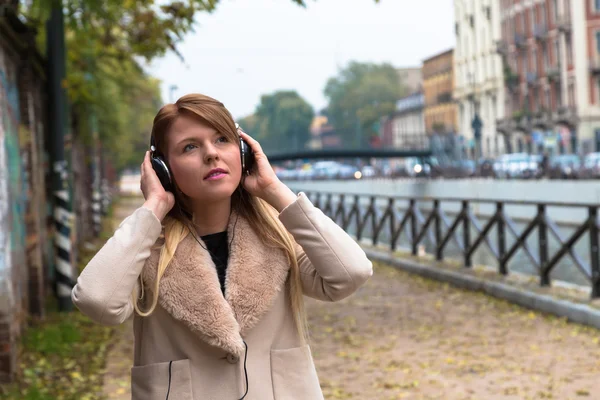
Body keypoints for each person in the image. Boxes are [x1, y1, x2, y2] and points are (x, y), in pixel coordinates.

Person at [72, 93, 373, 400]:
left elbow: (351, 273)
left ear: (243, 152)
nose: (211, 154)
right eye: (190, 146)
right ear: (162, 168)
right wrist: (153, 207)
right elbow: (98, 301)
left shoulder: (277, 237)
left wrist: (275, 191)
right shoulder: (145, 248)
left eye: (222, 140)